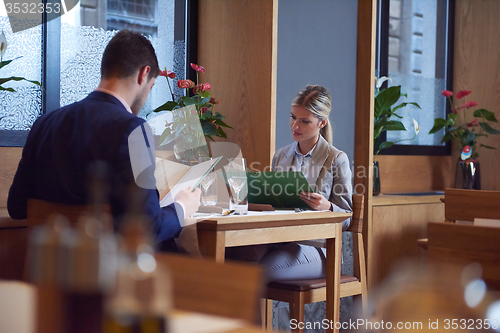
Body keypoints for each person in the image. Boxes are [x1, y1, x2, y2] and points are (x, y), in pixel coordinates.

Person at [7, 29, 201, 248]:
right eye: (151, 86)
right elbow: (148, 228)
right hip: (107, 275)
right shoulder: (131, 129)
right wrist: (182, 207)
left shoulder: (45, 123)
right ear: (144, 74)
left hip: (48, 270)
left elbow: (16, 207)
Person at [227, 85, 353, 281]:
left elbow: (346, 217)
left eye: (304, 121)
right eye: (293, 117)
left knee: (253, 274)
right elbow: (274, 205)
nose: (295, 126)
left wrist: (327, 207)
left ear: (322, 123)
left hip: (317, 247)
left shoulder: (337, 159)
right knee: (232, 260)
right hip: (278, 239)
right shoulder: (280, 155)